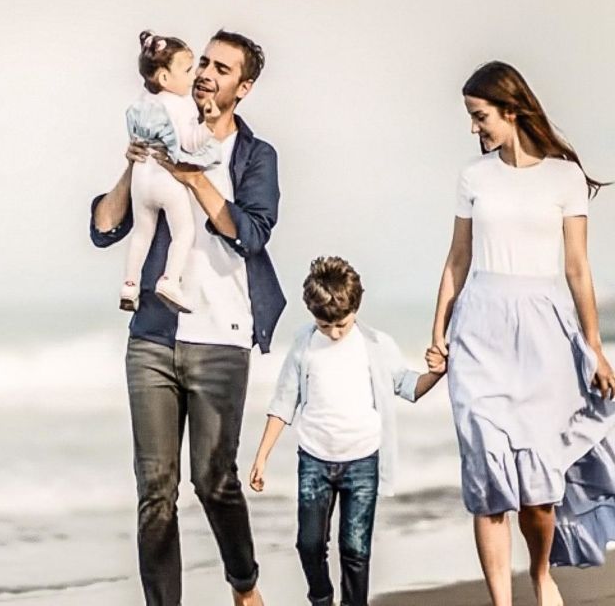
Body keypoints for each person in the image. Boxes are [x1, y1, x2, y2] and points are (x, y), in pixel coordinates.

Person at [90, 29, 286, 606]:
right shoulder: (162, 130)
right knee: (155, 490)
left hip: (222, 338)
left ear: (243, 88)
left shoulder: (255, 155)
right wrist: (133, 165)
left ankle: (244, 585)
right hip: (153, 336)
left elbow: (251, 234)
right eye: (203, 62)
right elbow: (104, 228)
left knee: (214, 481)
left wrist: (194, 177)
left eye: (222, 69)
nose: (205, 73)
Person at [427, 61, 615, 606]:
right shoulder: (474, 176)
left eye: (479, 115)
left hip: (543, 335)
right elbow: (457, 259)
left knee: (537, 490)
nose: (473, 127)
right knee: (486, 478)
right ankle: (501, 601)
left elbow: (577, 268)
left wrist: (594, 347)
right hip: (479, 331)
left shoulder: (564, 177)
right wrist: (438, 331)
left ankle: (539, 572)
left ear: (511, 110)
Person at [250, 256, 444, 606]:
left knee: (355, 548)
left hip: (362, 460)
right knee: (309, 544)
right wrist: (262, 457)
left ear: (356, 307)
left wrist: (437, 373)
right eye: (325, 325)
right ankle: (321, 597)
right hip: (314, 459)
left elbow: (409, 387)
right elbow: (283, 403)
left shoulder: (376, 345)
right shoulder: (304, 345)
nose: (335, 332)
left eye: (342, 323)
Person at [120, 29, 221, 313]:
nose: (193, 77)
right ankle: (170, 280)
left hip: (142, 176)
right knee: (184, 231)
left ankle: (129, 285)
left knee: (142, 233)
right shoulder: (180, 104)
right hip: (166, 178)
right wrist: (209, 126)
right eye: (187, 71)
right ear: (164, 78)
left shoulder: (143, 101)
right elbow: (188, 143)